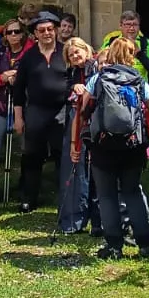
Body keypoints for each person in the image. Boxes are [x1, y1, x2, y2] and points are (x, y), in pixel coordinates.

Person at [74, 37, 149, 259]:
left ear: (110, 55)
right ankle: (145, 245)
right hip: (132, 146)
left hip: (102, 146)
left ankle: (114, 246)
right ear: (131, 57)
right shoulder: (139, 81)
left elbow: (83, 108)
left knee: (106, 196)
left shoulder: (97, 78)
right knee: (132, 192)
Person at [12, 14, 70, 212]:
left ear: (55, 30)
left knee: (62, 155)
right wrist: (18, 118)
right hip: (36, 110)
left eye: (50, 29)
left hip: (61, 111)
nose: (47, 33)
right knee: (32, 155)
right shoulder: (28, 57)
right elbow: (18, 89)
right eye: (42, 30)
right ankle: (29, 197)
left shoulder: (65, 52)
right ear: (35, 34)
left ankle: (66, 198)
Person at [58, 37, 96, 234]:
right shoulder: (71, 73)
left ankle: (94, 218)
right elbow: (64, 91)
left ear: (86, 50)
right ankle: (74, 218)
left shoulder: (96, 68)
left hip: (93, 123)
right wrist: (73, 87)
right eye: (71, 54)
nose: (75, 56)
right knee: (75, 167)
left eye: (77, 51)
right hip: (75, 123)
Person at [0, 19, 28, 170]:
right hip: (2, 104)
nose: (14, 35)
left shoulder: (29, 52)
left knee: (27, 149)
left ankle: (25, 183)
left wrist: (19, 76)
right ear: (5, 35)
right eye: (10, 32)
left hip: (25, 105)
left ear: (23, 34)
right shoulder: (0, 53)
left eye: (17, 31)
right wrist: (2, 78)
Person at [101, 10, 149, 87]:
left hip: (139, 87)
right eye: (128, 24)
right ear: (120, 26)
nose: (131, 28)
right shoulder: (111, 41)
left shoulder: (146, 43)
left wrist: (139, 54)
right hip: (115, 87)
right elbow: (100, 62)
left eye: (135, 25)